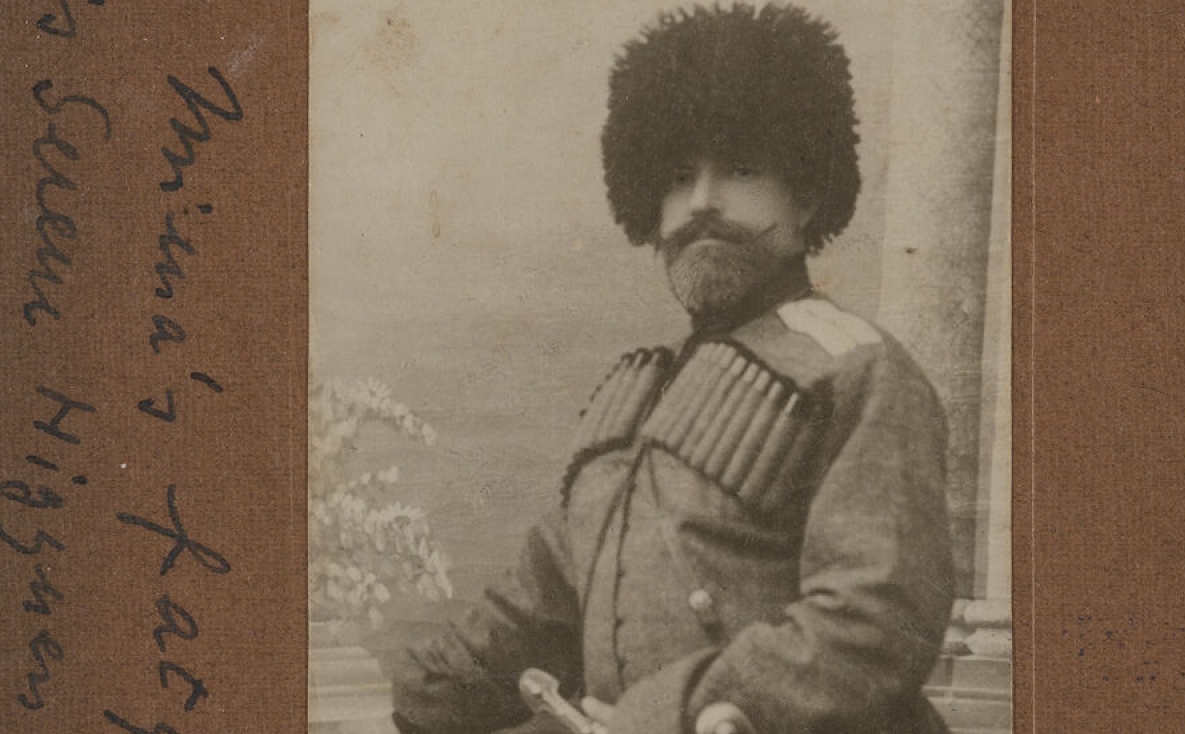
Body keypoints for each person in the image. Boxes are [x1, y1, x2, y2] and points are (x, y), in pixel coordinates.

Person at [384, 5, 954, 734]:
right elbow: (538, 607)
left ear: (808, 194)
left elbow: (876, 621)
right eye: (679, 177)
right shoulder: (637, 400)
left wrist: (673, 711)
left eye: (741, 170)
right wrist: (417, 706)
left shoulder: (862, 373)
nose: (702, 203)